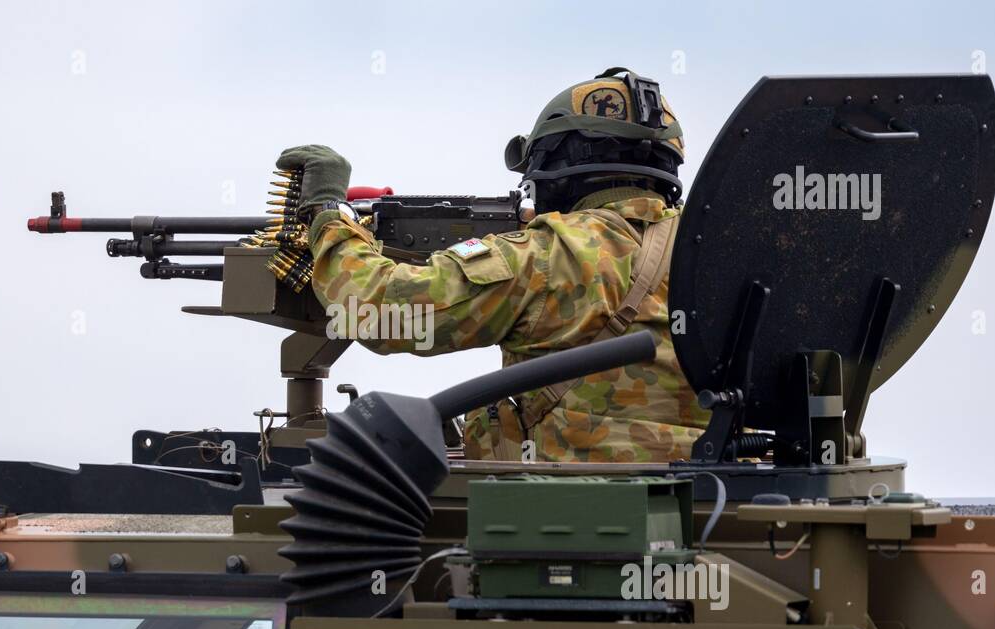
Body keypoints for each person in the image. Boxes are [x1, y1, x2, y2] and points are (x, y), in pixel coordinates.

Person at [276, 67, 708, 463]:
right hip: (718, 500)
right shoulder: (718, 255)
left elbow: (381, 312)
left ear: (554, 169)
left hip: (564, 512)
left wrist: (329, 216)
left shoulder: (549, 254)